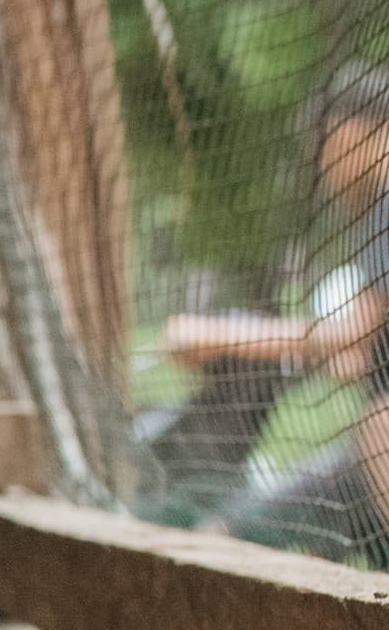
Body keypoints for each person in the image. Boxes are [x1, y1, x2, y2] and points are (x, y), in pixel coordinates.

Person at [149, 58, 389, 557]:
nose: (322, 169)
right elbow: (357, 359)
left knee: (221, 543)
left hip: (376, 470)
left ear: (350, 132)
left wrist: (219, 337)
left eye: (322, 146)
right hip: (366, 471)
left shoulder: (385, 203)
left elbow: (352, 335)